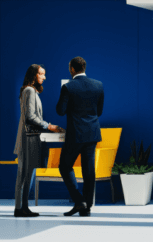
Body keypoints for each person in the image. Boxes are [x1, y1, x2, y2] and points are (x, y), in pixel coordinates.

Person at [56, 57, 104, 217]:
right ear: (84, 67)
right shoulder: (98, 85)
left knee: (64, 166)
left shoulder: (67, 87)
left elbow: (60, 111)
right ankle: (87, 207)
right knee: (89, 171)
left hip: (75, 134)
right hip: (92, 133)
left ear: (72, 69)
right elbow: (99, 112)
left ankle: (79, 200)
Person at [14, 64, 61, 217]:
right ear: (34, 75)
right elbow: (30, 117)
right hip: (28, 139)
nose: (44, 77)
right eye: (41, 74)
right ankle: (20, 208)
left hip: (30, 137)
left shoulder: (31, 91)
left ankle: (23, 207)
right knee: (24, 174)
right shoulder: (29, 91)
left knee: (27, 174)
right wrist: (50, 126)